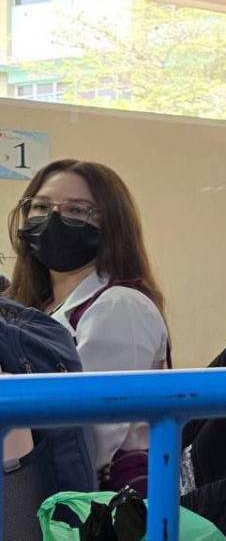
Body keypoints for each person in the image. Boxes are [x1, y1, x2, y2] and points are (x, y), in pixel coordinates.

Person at [5, 159, 169, 493]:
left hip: (96, 507)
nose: (53, 219)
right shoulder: (36, 308)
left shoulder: (120, 305)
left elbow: (87, 441)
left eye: (77, 211)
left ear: (112, 226)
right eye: (41, 206)